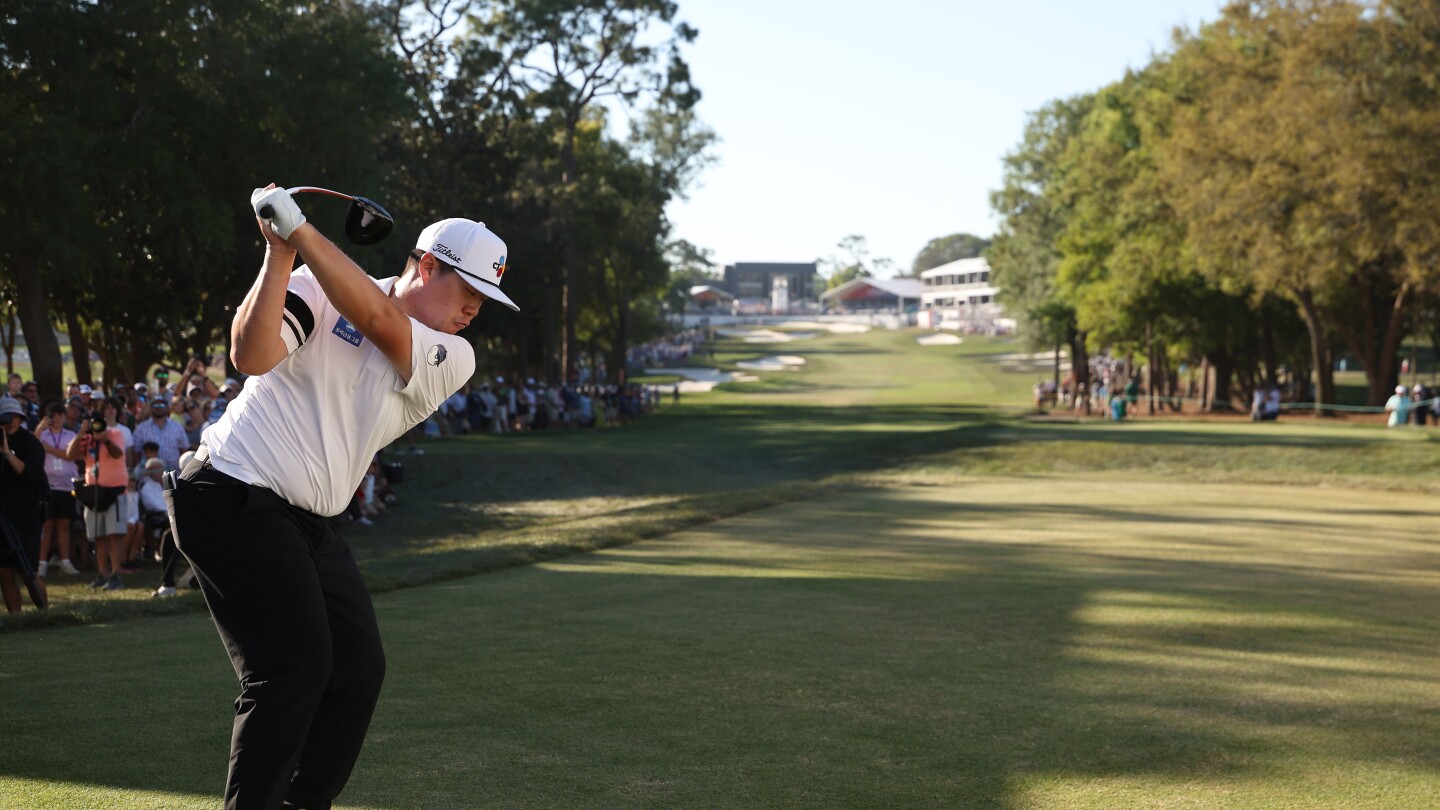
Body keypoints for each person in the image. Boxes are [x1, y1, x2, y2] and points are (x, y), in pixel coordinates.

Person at [166, 184, 518, 810]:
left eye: (485, 301)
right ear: (426, 265)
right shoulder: (316, 285)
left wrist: (300, 232)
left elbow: (379, 320)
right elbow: (251, 355)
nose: (474, 311)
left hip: (306, 523)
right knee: (292, 668)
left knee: (358, 670)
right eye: (469, 291)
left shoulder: (454, 356)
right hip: (227, 493)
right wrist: (280, 253)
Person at [67, 403, 130, 590]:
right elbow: (70, 455)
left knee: (115, 535)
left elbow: (118, 454)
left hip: (114, 491)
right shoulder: (86, 438)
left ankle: (116, 575)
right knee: (98, 536)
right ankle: (102, 575)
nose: (97, 426)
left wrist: (105, 440)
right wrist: (81, 433)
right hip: (93, 494)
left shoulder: (115, 434)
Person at [0, 397, 48, 612]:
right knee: (4, 572)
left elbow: (32, 476)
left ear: (21, 419)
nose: (11, 421)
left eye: (15, 417)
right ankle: (16, 620)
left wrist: (7, 454)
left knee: (28, 572)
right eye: (6, 417)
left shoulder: (30, 443)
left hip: (26, 515)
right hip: (2, 514)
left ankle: (45, 615)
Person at [34, 402, 81, 577]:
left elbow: (71, 455)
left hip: (66, 485)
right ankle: (42, 562)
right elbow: (33, 445)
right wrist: (40, 427)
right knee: (47, 525)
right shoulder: (42, 434)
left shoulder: (70, 435)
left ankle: (65, 561)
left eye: (60, 415)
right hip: (47, 485)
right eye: (53, 416)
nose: (57, 419)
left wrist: (50, 449)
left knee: (64, 524)